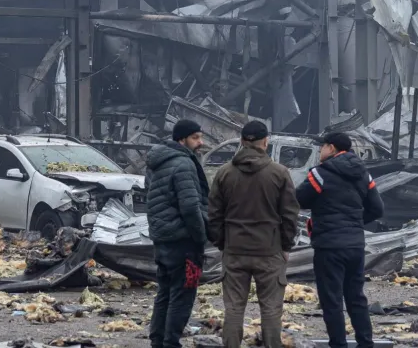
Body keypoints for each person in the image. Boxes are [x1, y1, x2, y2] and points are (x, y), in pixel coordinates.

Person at [208, 121, 299, 348]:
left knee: (234, 308)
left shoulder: (224, 173)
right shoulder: (279, 173)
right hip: (269, 250)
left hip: (235, 249)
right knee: (270, 308)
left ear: (241, 141)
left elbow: (214, 215)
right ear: (266, 142)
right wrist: (286, 247)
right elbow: (289, 215)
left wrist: (222, 244)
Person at [296, 133, 384, 348]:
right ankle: (366, 343)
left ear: (332, 148)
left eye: (322, 146)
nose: (320, 151)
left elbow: (299, 199)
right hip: (355, 245)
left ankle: (339, 344)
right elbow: (377, 209)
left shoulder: (319, 174)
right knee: (356, 298)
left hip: (329, 247)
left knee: (332, 300)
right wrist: (353, 222)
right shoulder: (364, 174)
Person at [145, 119, 211, 348]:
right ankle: (171, 343)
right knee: (182, 296)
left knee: (164, 294)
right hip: (183, 242)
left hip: (162, 239)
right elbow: (191, 207)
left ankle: (157, 341)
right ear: (181, 139)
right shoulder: (183, 164)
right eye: (195, 138)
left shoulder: (157, 162)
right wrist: (201, 237)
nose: (200, 143)